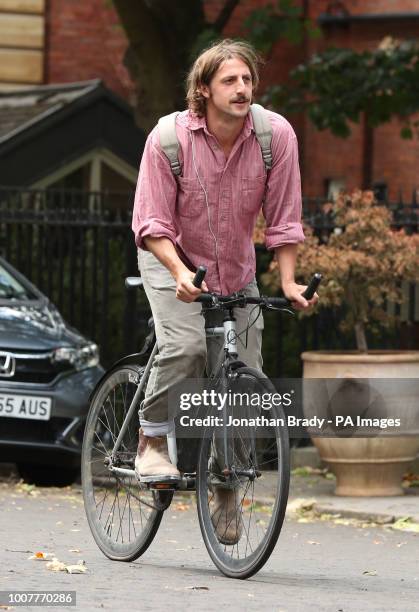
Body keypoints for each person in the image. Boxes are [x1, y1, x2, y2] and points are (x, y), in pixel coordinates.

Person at [132, 39, 317, 541]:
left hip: (234, 270)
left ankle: (227, 488)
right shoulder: (168, 138)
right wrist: (178, 273)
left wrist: (287, 281)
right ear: (203, 89)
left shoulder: (274, 136)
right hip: (170, 260)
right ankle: (151, 439)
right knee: (188, 345)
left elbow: (283, 219)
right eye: (229, 80)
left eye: (247, 80)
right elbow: (151, 224)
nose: (241, 89)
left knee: (244, 377)